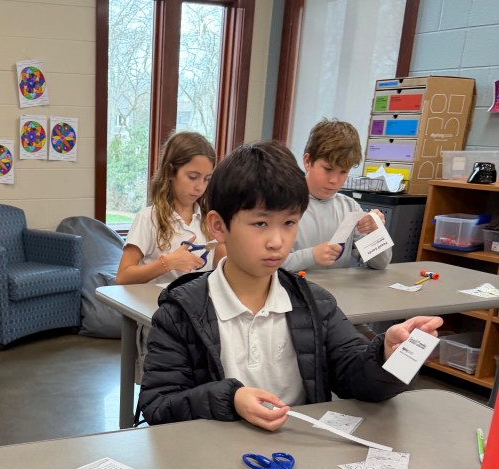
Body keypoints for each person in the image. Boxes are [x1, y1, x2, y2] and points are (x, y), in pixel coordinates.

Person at [138, 140, 441, 428]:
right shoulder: (180, 313)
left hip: (300, 451)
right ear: (218, 226)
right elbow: (158, 407)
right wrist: (230, 399)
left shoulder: (315, 303)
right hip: (218, 453)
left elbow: (358, 380)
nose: (277, 241)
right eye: (260, 223)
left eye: (289, 223)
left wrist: (387, 355)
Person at [282, 118, 392, 273]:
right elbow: (265, 265)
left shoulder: (350, 208)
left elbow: (380, 264)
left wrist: (376, 231)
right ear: (307, 161)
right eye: (327, 169)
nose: (334, 180)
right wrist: (311, 256)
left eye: (343, 172)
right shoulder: (281, 204)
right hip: (291, 286)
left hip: (334, 289)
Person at [116, 130, 224, 287]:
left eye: (207, 179)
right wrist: (167, 264)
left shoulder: (210, 220)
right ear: (170, 172)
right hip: (156, 302)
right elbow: (123, 277)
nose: (200, 187)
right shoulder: (148, 218)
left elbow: (225, 269)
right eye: (193, 177)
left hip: (197, 301)